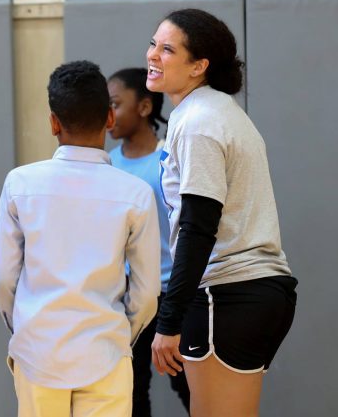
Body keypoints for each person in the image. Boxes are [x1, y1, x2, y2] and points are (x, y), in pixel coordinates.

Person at [146, 9, 298, 417]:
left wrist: (168, 320)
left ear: (199, 66)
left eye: (168, 49)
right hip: (250, 292)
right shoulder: (209, 112)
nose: (153, 56)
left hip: (227, 295)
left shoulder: (200, 121)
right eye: (153, 44)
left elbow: (198, 227)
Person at [0, 60, 160, 417]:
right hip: (106, 350)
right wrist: (118, 335)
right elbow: (146, 293)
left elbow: (3, 278)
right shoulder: (136, 192)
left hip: (37, 348)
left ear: (53, 122)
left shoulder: (20, 183)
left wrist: (23, 322)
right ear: (109, 119)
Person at [108, 68, 191, 416]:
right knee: (130, 388)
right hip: (125, 299)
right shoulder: (106, 165)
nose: (108, 115)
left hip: (172, 294)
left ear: (144, 108)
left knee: (188, 382)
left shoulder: (167, 159)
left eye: (115, 104)